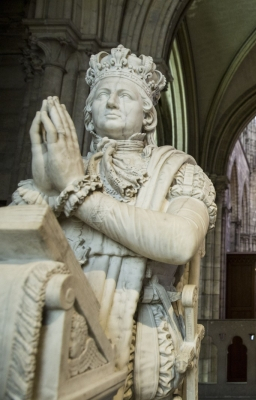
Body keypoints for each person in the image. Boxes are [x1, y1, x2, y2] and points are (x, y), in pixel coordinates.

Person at [12, 45, 217, 399]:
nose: (110, 102)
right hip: (59, 328)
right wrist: (46, 190)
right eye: (102, 95)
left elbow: (180, 241)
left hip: (144, 340)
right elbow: (17, 253)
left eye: (125, 95)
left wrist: (76, 194)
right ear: (88, 113)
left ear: (148, 115)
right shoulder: (64, 172)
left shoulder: (179, 172)